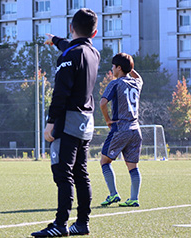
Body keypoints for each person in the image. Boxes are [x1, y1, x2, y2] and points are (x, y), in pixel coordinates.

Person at [31, 8, 100, 237]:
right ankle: (82, 223)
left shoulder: (70, 56)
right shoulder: (93, 53)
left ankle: (60, 224)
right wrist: (55, 41)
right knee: (81, 172)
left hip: (68, 120)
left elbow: (60, 92)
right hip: (86, 121)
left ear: (72, 27)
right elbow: (73, 47)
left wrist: (51, 122)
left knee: (63, 172)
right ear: (95, 32)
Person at [99, 53, 143, 207]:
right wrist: (129, 67)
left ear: (118, 68)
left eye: (113, 66)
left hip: (120, 129)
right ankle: (134, 198)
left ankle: (113, 194)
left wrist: (107, 120)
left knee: (105, 161)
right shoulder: (137, 83)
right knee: (133, 166)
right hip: (136, 130)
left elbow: (102, 103)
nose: (112, 69)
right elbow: (138, 77)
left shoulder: (115, 83)